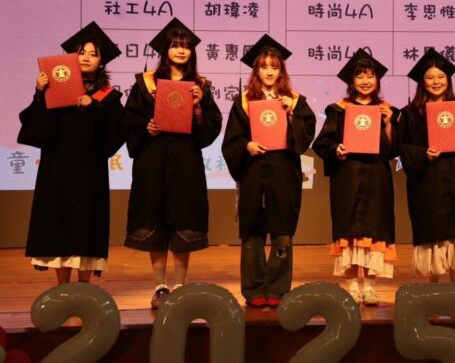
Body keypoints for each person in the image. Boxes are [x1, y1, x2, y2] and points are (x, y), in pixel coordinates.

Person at [123, 18, 222, 309]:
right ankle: (160, 286)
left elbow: (211, 128)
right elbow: (128, 118)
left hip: (185, 161)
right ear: (165, 50)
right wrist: (147, 125)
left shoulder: (200, 86)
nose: (180, 51)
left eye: (186, 46)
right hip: (152, 160)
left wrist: (198, 107)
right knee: (153, 218)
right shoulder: (145, 83)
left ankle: (180, 284)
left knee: (183, 220)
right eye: (175, 45)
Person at [19, 22, 125, 284]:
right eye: (81, 52)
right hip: (57, 169)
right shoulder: (55, 91)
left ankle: (85, 288)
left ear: (102, 61)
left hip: (89, 171)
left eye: (93, 54)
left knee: (86, 225)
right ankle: (62, 288)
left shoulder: (109, 97)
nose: (86, 57)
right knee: (59, 224)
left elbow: (114, 137)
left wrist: (94, 108)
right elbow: (36, 130)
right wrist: (40, 93)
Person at [222, 34, 316, 307]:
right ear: (256, 70)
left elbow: (306, 135)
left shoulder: (295, 101)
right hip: (253, 171)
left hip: (284, 171)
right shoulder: (243, 101)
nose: (269, 71)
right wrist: (247, 145)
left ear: (281, 70)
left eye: (275, 66)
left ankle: (276, 288)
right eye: (264, 66)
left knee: (282, 230)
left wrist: (291, 115)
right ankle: (253, 289)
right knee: (252, 231)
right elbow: (232, 140)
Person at [312, 49, 399, 306]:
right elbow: (322, 143)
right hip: (347, 178)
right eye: (360, 75)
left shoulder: (387, 111)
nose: (365, 80)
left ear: (377, 80)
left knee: (375, 230)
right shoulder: (338, 111)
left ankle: (370, 287)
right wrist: (336, 149)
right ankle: (351, 285)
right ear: (351, 81)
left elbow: (393, 151)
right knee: (348, 231)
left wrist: (388, 124)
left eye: (370, 75)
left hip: (377, 178)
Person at [398, 49, 455, 283]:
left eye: (441, 76)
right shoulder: (411, 114)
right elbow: (402, 148)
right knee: (431, 230)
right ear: (422, 82)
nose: (436, 82)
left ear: (448, 79)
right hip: (427, 181)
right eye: (430, 77)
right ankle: (432, 288)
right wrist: (423, 153)